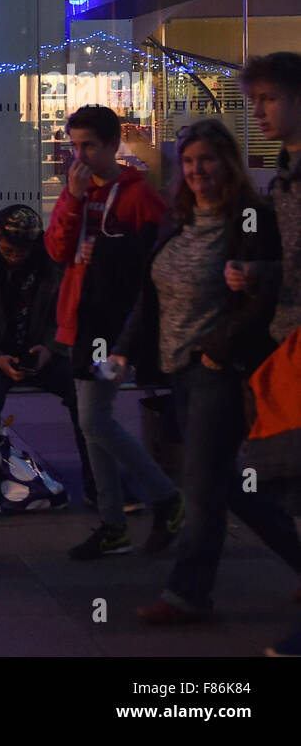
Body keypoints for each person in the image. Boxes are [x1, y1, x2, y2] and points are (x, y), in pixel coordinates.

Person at [108, 117, 301, 623]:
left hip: (218, 366)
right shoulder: (180, 217)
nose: (197, 171)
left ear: (228, 163)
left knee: (200, 484)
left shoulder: (250, 217)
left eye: (207, 160)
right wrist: (126, 348)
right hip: (177, 366)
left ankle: (187, 593)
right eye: (189, 161)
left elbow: (264, 294)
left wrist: (224, 343)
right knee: (223, 483)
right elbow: (152, 293)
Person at [44, 104, 183, 559]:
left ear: (110, 145)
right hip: (80, 317)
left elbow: (159, 256)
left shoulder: (138, 195)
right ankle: (114, 522)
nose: (79, 154)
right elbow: (59, 250)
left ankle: (162, 497)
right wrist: (73, 197)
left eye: (88, 145)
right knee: (92, 424)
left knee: (93, 420)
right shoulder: (78, 190)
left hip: (111, 320)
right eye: (74, 145)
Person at [0, 204, 84, 515]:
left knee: (81, 391)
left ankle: (99, 484)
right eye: (9, 249)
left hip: (36, 352)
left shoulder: (48, 261)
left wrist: (49, 348)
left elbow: (63, 313)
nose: (16, 256)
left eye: (23, 250)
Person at [242, 52, 301, 655]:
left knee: (254, 475)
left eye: (269, 99)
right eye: (255, 99)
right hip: (289, 342)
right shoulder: (284, 172)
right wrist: (260, 272)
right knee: (254, 478)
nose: (258, 110)